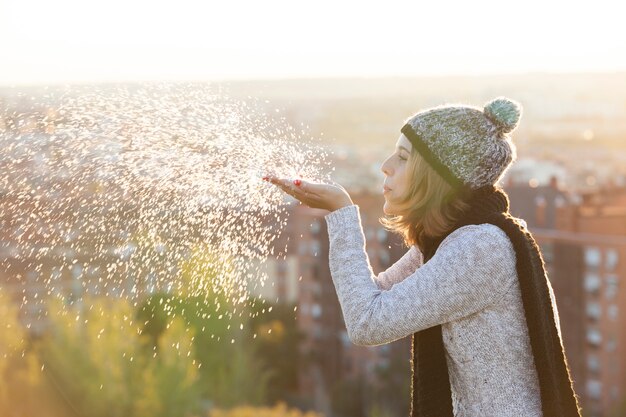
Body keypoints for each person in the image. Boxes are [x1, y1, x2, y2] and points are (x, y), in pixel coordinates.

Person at [265, 97, 582, 417]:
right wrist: (335, 207)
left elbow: (367, 323)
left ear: (436, 175)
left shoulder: (480, 248)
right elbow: (373, 299)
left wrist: (342, 213)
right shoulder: (448, 242)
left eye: (403, 157)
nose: (385, 165)